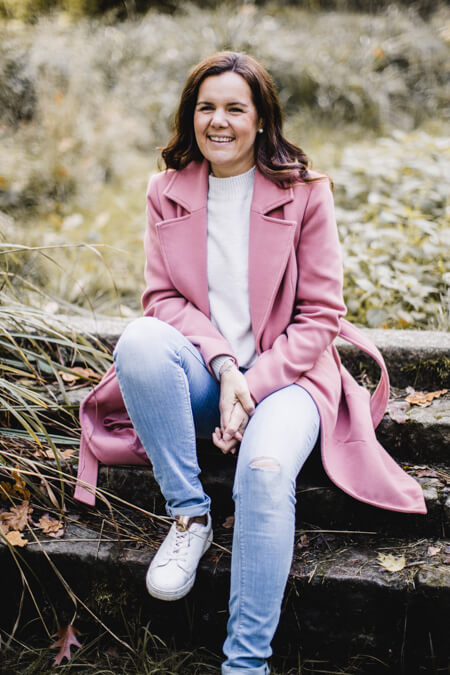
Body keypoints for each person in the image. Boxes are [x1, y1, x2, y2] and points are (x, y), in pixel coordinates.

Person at [75, 51, 426, 675]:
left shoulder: (306, 193)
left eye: (235, 108)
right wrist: (227, 369)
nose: (219, 121)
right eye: (206, 107)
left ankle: (246, 663)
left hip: (291, 382)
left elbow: (319, 316)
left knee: (264, 472)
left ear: (261, 119)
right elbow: (161, 301)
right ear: (191, 117)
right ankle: (189, 515)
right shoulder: (167, 190)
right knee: (138, 341)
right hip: (211, 376)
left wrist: (256, 381)